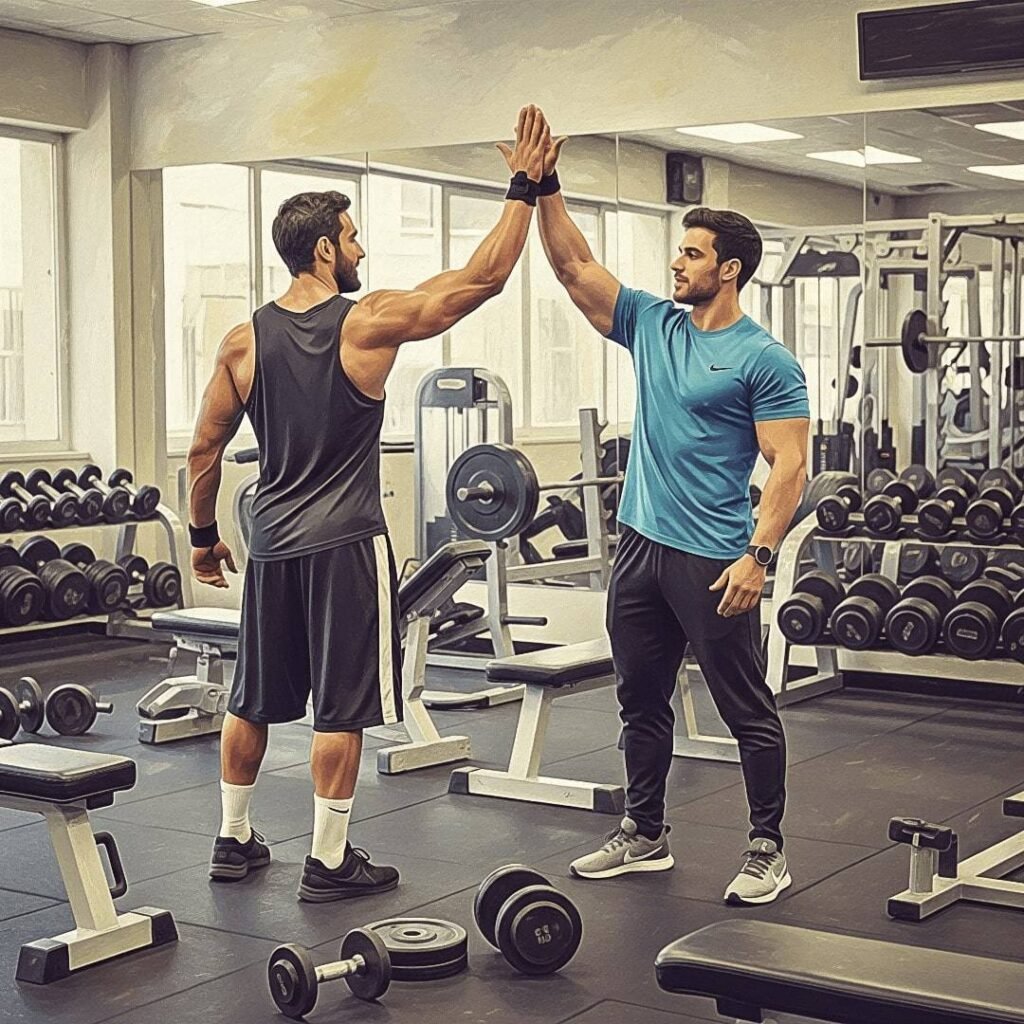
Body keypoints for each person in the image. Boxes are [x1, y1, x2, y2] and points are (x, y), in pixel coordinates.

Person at [187, 105, 551, 902]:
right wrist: (525, 185)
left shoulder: (241, 341)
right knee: (341, 705)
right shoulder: (366, 320)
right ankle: (327, 859)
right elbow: (481, 280)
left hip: (272, 543)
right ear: (325, 249)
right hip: (346, 541)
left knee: (250, 695)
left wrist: (203, 537)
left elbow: (203, 450)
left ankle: (233, 839)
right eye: (352, 239)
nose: (361, 250)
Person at [525, 134, 809, 905]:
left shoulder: (764, 358)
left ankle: (766, 849)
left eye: (691, 254)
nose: (676, 264)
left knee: (746, 707)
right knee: (638, 701)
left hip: (714, 558)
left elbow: (790, 466)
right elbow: (573, 267)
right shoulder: (655, 324)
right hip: (641, 551)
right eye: (677, 252)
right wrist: (545, 184)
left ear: (730, 269)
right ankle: (644, 832)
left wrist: (759, 556)